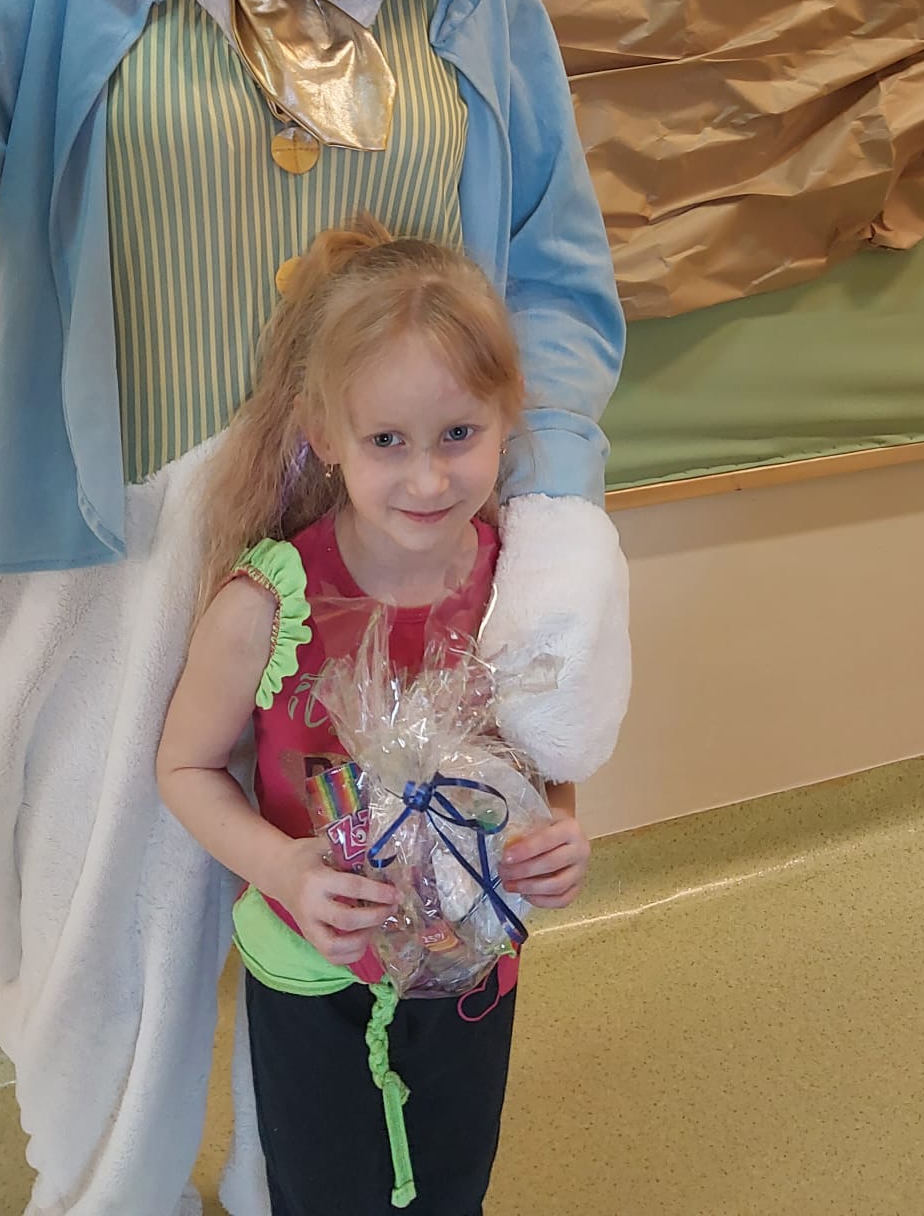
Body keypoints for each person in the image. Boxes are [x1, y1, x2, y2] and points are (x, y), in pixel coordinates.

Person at [157, 219, 594, 1216]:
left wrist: (559, 832)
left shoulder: (524, 586)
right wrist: (282, 870)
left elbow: (542, 753)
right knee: (323, 1193)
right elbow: (184, 767)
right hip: (311, 968)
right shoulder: (268, 604)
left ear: (506, 415)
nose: (428, 478)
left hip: (474, 963)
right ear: (324, 435)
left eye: (459, 435)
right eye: (387, 441)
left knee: (454, 1181)